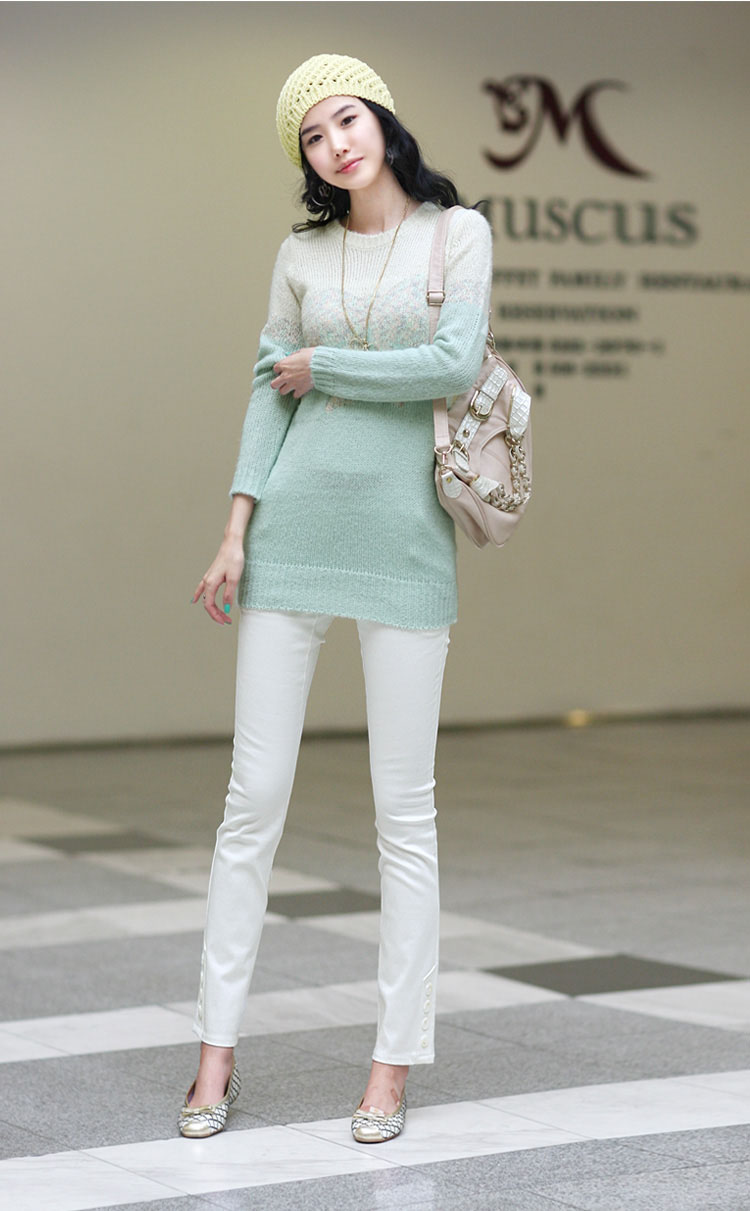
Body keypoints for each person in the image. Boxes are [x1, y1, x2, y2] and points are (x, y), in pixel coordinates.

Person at [180, 53, 493, 1144]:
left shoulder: (459, 234)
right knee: (251, 799)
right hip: (292, 535)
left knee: (404, 813)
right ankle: (213, 1052)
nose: (334, 145)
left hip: (405, 544)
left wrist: (325, 365)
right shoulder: (300, 252)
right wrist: (236, 531)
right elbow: (267, 395)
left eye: (346, 119)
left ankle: (391, 1063)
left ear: (383, 120)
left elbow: (452, 362)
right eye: (312, 137)